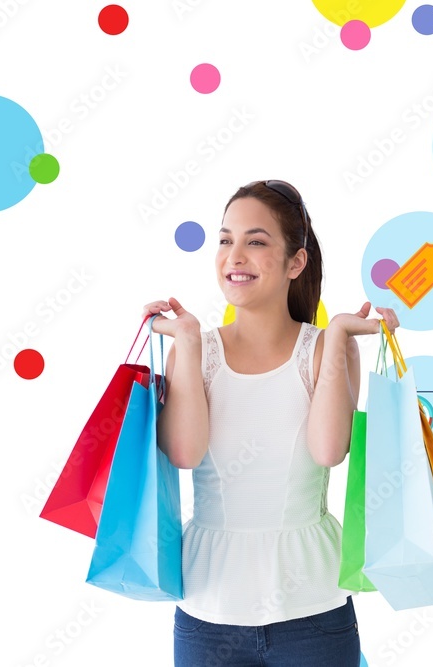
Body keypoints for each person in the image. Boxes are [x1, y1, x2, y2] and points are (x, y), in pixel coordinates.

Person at [142, 179, 398, 666]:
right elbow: (184, 453)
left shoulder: (326, 347)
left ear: (295, 263)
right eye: (225, 240)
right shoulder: (195, 349)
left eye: (256, 242)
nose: (234, 256)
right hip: (208, 609)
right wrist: (191, 341)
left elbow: (329, 451)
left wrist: (339, 332)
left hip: (314, 614)